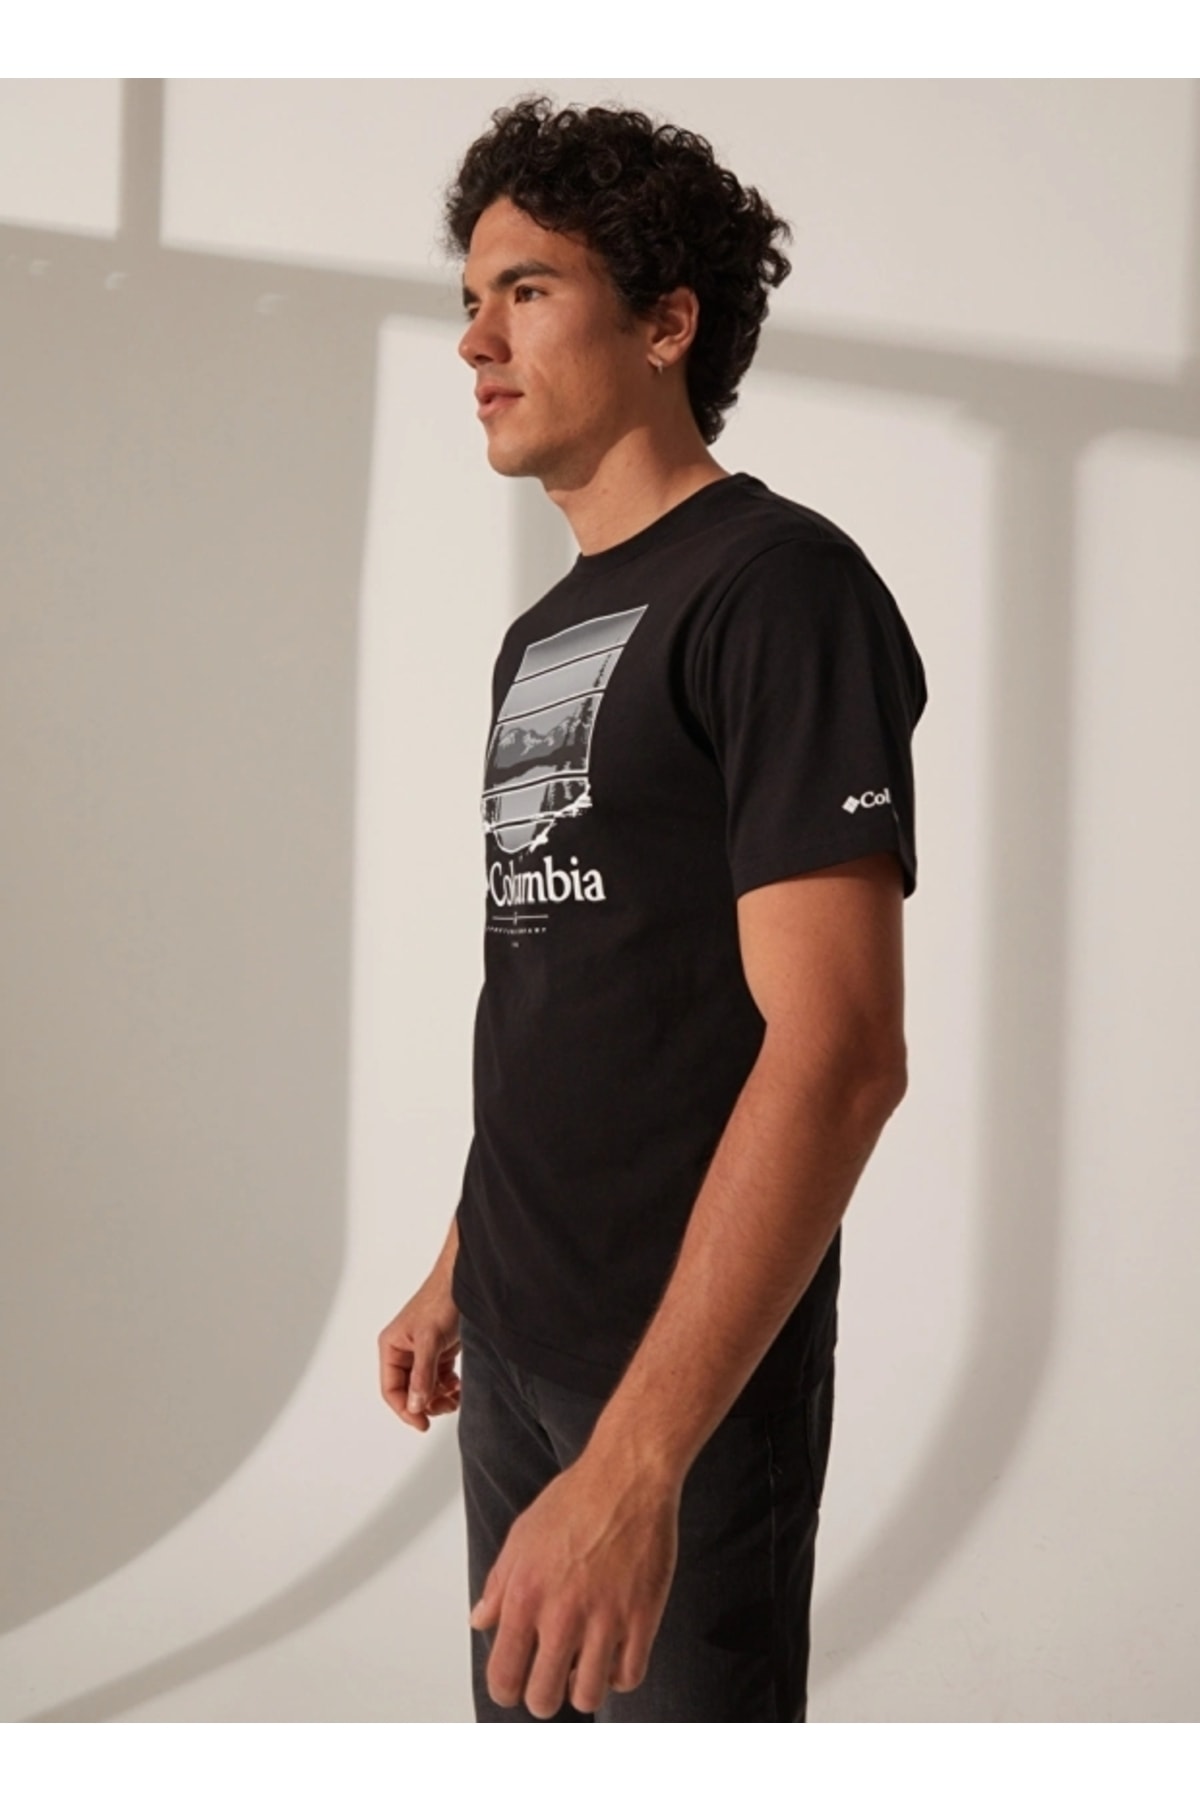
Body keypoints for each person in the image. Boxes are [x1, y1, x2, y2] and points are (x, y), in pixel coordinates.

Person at [378, 95, 927, 1723]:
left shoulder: (778, 590)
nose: (475, 338)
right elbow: (571, 981)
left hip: (674, 1384)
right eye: (469, 298)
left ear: (667, 322)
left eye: (527, 289)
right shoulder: (543, 634)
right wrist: (462, 1261)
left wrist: (637, 1467)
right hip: (515, 1350)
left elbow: (841, 1053)